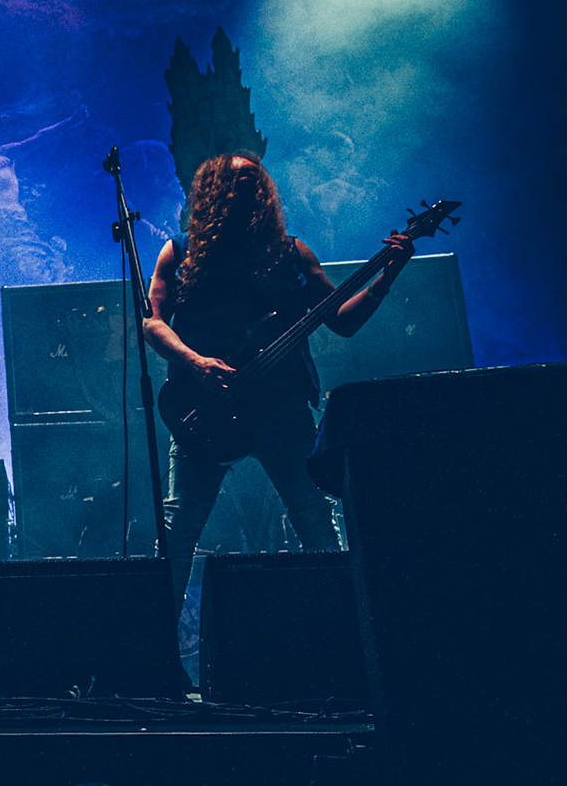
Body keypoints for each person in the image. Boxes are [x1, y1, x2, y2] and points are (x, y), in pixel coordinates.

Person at [143, 154, 412, 611]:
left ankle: (350, 638)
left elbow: (341, 321)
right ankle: (155, 653)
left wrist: (388, 275)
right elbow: (153, 323)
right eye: (238, 181)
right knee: (180, 528)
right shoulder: (180, 250)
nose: (250, 189)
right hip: (204, 404)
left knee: (314, 519)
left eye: (256, 181)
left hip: (280, 407)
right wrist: (196, 362)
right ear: (215, 191)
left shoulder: (292, 253)